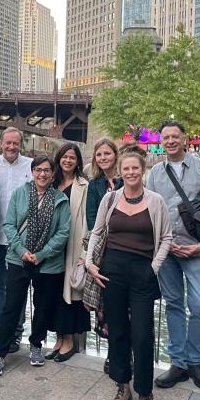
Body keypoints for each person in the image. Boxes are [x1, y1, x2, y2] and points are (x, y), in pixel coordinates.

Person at [86, 152, 172, 400]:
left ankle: (145, 390)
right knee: (118, 332)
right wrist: (90, 263)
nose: (131, 172)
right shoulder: (110, 198)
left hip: (142, 273)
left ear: (142, 169)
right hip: (112, 272)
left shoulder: (156, 201)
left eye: (135, 168)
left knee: (143, 334)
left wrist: (154, 268)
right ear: (120, 171)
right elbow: (97, 231)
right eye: (127, 168)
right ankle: (122, 386)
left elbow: (166, 237)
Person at [0, 155, 71, 377]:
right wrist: (22, 251)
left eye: (47, 170)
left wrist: (42, 254)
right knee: (11, 307)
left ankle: (36, 345)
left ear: (53, 174)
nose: (42, 174)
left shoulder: (60, 199)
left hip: (48, 263)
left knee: (42, 306)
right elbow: (9, 225)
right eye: (38, 170)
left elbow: (63, 232)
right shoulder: (20, 194)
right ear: (32, 172)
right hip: (19, 259)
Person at [145, 120, 200, 390]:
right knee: (173, 303)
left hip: (196, 249)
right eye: (166, 137)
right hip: (167, 250)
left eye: (175, 136)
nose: (171, 141)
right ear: (161, 140)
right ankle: (178, 363)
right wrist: (164, 243)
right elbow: (150, 209)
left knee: (199, 304)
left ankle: (195, 361)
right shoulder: (155, 172)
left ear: (185, 139)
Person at [0, 127, 32, 353]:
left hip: (22, 240)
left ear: (20, 144)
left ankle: (15, 333)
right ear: (1, 143)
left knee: (19, 287)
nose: (12, 147)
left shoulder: (31, 166)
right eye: (8, 143)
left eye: (16, 143)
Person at [47, 142, 90, 362]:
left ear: (77, 161)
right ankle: (58, 337)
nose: (68, 161)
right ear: (59, 159)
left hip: (72, 243)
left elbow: (86, 219)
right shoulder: (50, 182)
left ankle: (70, 341)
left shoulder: (84, 184)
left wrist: (85, 251)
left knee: (71, 293)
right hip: (52, 246)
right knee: (54, 292)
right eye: (64, 157)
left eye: (72, 157)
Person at [85, 137, 123, 373]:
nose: (103, 158)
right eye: (99, 155)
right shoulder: (95, 184)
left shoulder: (126, 178)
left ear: (115, 155)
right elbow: (91, 218)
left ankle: (126, 351)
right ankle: (113, 353)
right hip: (105, 251)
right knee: (108, 305)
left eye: (107, 153)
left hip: (126, 246)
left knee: (127, 305)